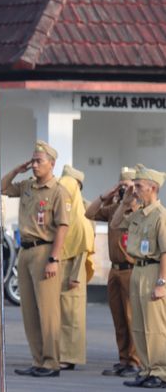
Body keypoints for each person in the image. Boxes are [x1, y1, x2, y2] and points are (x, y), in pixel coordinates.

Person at [1, 140, 70, 378]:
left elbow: (62, 227)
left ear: (52, 164)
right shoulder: (27, 186)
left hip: (44, 251)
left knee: (48, 311)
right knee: (29, 310)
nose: (34, 165)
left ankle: (51, 362)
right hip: (26, 251)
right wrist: (17, 170)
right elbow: (1, 187)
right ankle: (38, 360)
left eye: (39, 161)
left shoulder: (59, 191)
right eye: (32, 160)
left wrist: (54, 258)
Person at [113, 164, 166, 388]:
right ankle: (146, 369)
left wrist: (162, 282)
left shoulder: (160, 216)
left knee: (155, 326)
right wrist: (125, 200)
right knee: (139, 325)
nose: (135, 189)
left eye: (139, 186)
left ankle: (160, 371)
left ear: (153, 188)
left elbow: (165, 251)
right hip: (138, 270)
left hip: (154, 269)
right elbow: (116, 224)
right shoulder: (138, 214)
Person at [85, 166, 141, 377]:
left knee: (130, 317)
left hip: (131, 269)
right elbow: (89, 212)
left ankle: (135, 361)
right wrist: (106, 195)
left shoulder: (139, 210)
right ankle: (123, 359)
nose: (123, 191)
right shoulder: (115, 208)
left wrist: (128, 199)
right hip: (114, 270)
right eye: (121, 186)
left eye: (127, 186)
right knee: (118, 318)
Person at [57, 164, 95, 370]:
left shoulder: (84, 211)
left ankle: (70, 356)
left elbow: (84, 246)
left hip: (74, 268)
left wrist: (76, 275)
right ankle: (59, 353)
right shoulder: (61, 207)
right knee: (60, 314)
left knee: (72, 315)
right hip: (58, 265)